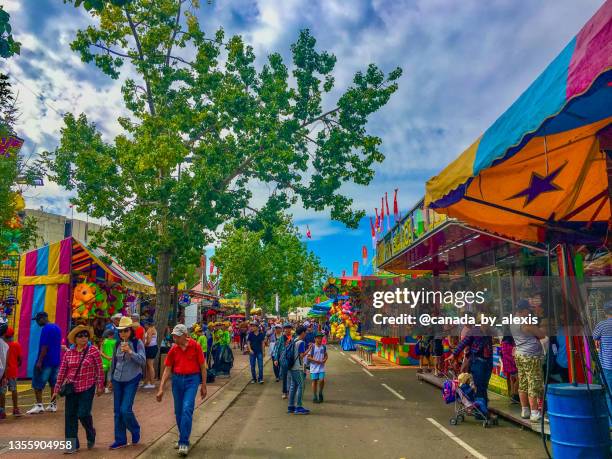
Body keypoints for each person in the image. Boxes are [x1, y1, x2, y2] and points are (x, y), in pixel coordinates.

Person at [156, 324, 207, 457]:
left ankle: (184, 441)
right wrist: (161, 388)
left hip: (192, 380)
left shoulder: (196, 346)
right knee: (178, 412)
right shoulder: (173, 349)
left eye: (176, 336)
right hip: (177, 380)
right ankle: (183, 436)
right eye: (173, 335)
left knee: (186, 409)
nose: (174, 337)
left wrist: (204, 385)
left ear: (185, 335)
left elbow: (202, 366)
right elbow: (167, 369)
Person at [53, 325, 104, 453]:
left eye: (85, 335)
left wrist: (100, 386)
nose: (83, 338)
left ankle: (90, 432)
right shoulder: (68, 353)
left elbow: (99, 369)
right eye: (80, 336)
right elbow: (62, 372)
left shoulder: (93, 351)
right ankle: (72, 446)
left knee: (83, 413)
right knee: (70, 417)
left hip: (87, 387)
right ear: (75, 339)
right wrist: (56, 389)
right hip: (72, 388)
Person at [109, 316, 146, 449]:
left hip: (132, 378)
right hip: (117, 378)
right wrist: (110, 379)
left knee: (125, 409)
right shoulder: (117, 344)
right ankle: (120, 439)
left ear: (131, 330)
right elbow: (114, 361)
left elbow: (142, 361)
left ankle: (135, 429)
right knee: (117, 411)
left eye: (126, 331)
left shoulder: (138, 343)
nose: (123, 333)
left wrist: (130, 352)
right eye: (121, 331)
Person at [446, 315, 493, 418]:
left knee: (483, 386)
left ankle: (482, 410)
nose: (487, 324)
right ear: (480, 322)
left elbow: (489, 348)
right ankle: (481, 413)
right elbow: (463, 343)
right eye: (485, 321)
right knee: (480, 387)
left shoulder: (488, 332)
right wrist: (454, 354)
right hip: (477, 362)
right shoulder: (474, 331)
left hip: (488, 362)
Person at [511, 299, 546, 422]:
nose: (529, 312)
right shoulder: (525, 322)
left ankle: (525, 410)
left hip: (520, 354)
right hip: (530, 356)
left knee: (524, 382)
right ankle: (535, 412)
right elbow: (541, 334)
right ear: (524, 310)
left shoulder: (513, 321)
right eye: (528, 310)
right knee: (534, 382)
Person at [28, 311, 62, 414]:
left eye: (38, 320)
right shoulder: (57, 328)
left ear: (43, 318)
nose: (37, 322)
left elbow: (44, 346)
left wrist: (39, 361)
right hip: (56, 361)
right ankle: (53, 405)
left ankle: (39, 405)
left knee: (38, 382)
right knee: (53, 384)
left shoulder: (46, 329)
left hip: (46, 361)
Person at [593, 300, 612, 426]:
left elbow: (594, 336)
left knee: (609, 393)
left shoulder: (602, 325)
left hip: (608, 366)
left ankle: (611, 422)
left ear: (605, 312)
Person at [287, 325, 309, 415]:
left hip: (291, 366)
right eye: (305, 332)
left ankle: (291, 406)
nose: (306, 334)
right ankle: (299, 407)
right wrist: (309, 349)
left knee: (293, 386)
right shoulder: (301, 342)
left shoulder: (294, 340)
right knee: (301, 385)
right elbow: (301, 355)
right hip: (298, 367)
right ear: (303, 332)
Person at [0, 324, 19, 418]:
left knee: (2, 392)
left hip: (3, 372)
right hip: (13, 371)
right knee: (14, 390)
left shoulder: (2, 344)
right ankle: (15, 409)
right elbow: (20, 359)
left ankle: (2, 411)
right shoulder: (16, 344)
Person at [274, 323, 293, 399]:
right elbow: (277, 349)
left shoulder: (294, 337)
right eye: (286, 328)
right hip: (284, 360)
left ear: (291, 329)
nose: (287, 330)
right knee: (285, 377)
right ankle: (284, 392)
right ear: (284, 329)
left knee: (291, 376)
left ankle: (290, 391)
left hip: (292, 360)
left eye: (289, 328)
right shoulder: (281, 338)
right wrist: (276, 359)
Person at [307, 332, 328, 403]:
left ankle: (320, 393)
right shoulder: (312, 347)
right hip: (313, 367)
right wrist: (316, 361)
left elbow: (326, 355)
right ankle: (315, 396)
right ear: (315, 339)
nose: (320, 339)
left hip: (321, 367)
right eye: (318, 338)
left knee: (322, 380)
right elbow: (308, 357)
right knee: (315, 381)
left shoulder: (323, 347)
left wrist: (324, 360)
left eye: (321, 338)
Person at [500, 334, 519, 403]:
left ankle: (513, 396)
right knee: (518, 379)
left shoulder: (505, 342)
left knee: (513, 379)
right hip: (511, 365)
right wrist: (516, 363)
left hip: (509, 364)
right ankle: (515, 396)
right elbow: (508, 355)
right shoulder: (507, 343)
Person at [100, 329, 116, 394]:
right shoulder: (115, 342)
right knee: (109, 375)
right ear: (112, 335)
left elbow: (100, 352)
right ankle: (107, 388)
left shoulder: (104, 342)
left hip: (104, 360)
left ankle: (101, 388)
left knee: (103, 375)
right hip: (112, 360)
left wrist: (106, 357)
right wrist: (110, 358)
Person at [143, 319, 158, 389]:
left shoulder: (149, 330)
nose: (144, 325)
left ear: (147, 324)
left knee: (150, 365)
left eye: (145, 324)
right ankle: (147, 381)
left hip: (150, 348)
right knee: (149, 366)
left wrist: (144, 345)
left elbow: (148, 341)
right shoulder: (153, 328)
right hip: (153, 347)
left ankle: (152, 383)